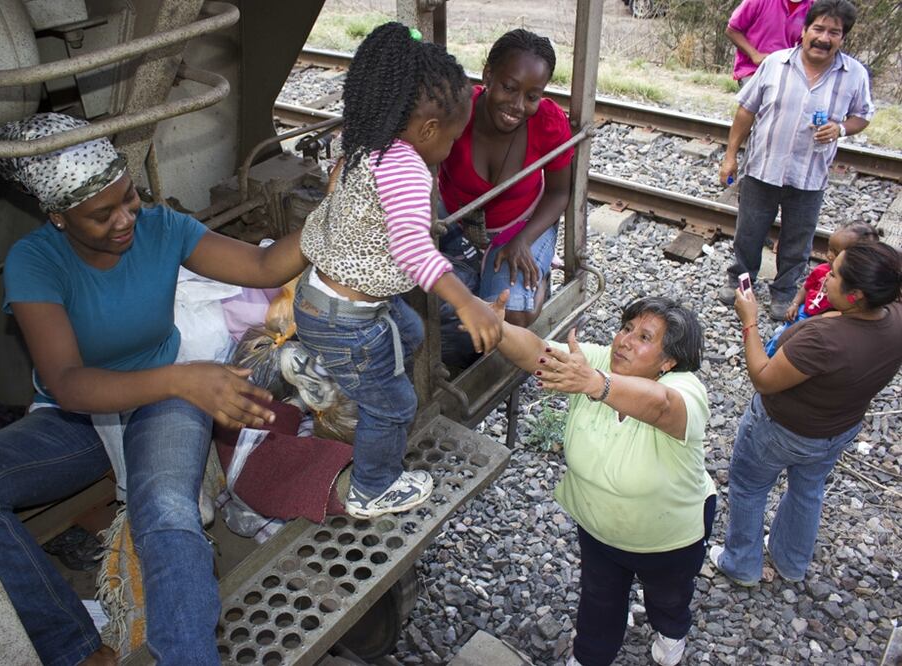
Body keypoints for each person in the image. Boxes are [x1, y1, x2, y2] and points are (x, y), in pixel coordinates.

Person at [0, 112, 308, 666]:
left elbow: (261, 264)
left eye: (129, 199)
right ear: (58, 216)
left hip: (163, 403)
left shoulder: (161, 228)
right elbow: (68, 384)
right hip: (82, 414)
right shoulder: (35, 262)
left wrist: (335, 222)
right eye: (101, 214)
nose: (124, 221)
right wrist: (185, 377)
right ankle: (74, 648)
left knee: (165, 513)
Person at [293, 23, 502, 521]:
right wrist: (465, 300)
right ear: (429, 130)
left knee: (408, 331)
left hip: (316, 299)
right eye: (451, 140)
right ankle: (372, 487)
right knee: (395, 406)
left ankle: (321, 369)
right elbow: (413, 251)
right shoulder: (408, 167)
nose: (450, 151)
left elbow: (344, 197)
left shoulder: (364, 141)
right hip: (349, 321)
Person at [490, 295, 715, 666]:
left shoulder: (686, 388)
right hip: (599, 528)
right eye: (626, 328)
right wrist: (498, 329)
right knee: (599, 598)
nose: (624, 340)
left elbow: (662, 405)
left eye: (644, 337)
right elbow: (537, 353)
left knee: (668, 598)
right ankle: (589, 658)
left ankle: (672, 631)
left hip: (668, 538)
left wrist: (595, 385)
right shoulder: (595, 363)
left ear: (669, 361)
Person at [712, 241, 902, 586]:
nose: (825, 276)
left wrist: (749, 322)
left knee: (749, 489)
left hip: (782, 430)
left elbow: (764, 379)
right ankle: (791, 562)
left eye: (834, 274)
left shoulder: (823, 339)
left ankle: (741, 565)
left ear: (856, 294)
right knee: (808, 489)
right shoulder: (894, 317)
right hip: (839, 428)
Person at [717, 0, 874, 320]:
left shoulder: (853, 74)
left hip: (809, 175)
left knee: (797, 241)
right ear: (803, 31)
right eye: (817, 28)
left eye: (834, 32)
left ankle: (784, 291)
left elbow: (863, 116)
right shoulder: (774, 63)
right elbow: (746, 111)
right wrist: (730, 156)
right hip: (763, 167)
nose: (824, 38)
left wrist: (841, 128)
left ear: (842, 38)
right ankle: (741, 283)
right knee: (748, 233)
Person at [437, 29, 574, 329]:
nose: (517, 105)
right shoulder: (459, 110)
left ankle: (540, 280)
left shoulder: (548, 123)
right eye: (509, 87)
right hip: (456, 220)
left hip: (521, 225)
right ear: (488, 75)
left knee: (511, 314)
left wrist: (523, 241)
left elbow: (559, 193)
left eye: (532, 96)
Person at [764, 221, 878, 355]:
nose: (829, 255)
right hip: (803, 312)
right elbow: (806, 288)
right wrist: (795, 304)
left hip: (820, 325)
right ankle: (769, 356)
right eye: (829, 248)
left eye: (836, 252)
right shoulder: (820, 270)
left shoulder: (851, 287)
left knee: (796, 347)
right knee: (781, 338)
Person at [726, 0, 814, 87]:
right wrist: (755, 55)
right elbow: (732, 31)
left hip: (785, 72)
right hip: (753, 70)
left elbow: (805, 45)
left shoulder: (812, 7)